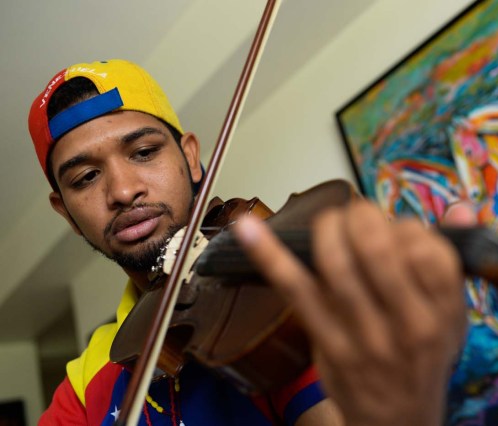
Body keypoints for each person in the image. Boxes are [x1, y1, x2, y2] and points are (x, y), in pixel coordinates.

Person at [28, 59, 471, 426]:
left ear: (191, 156)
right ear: (65, 211)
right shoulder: (87, 381)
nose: (123, 190)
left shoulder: (274, 294)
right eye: (86, 177)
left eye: (144, 152)